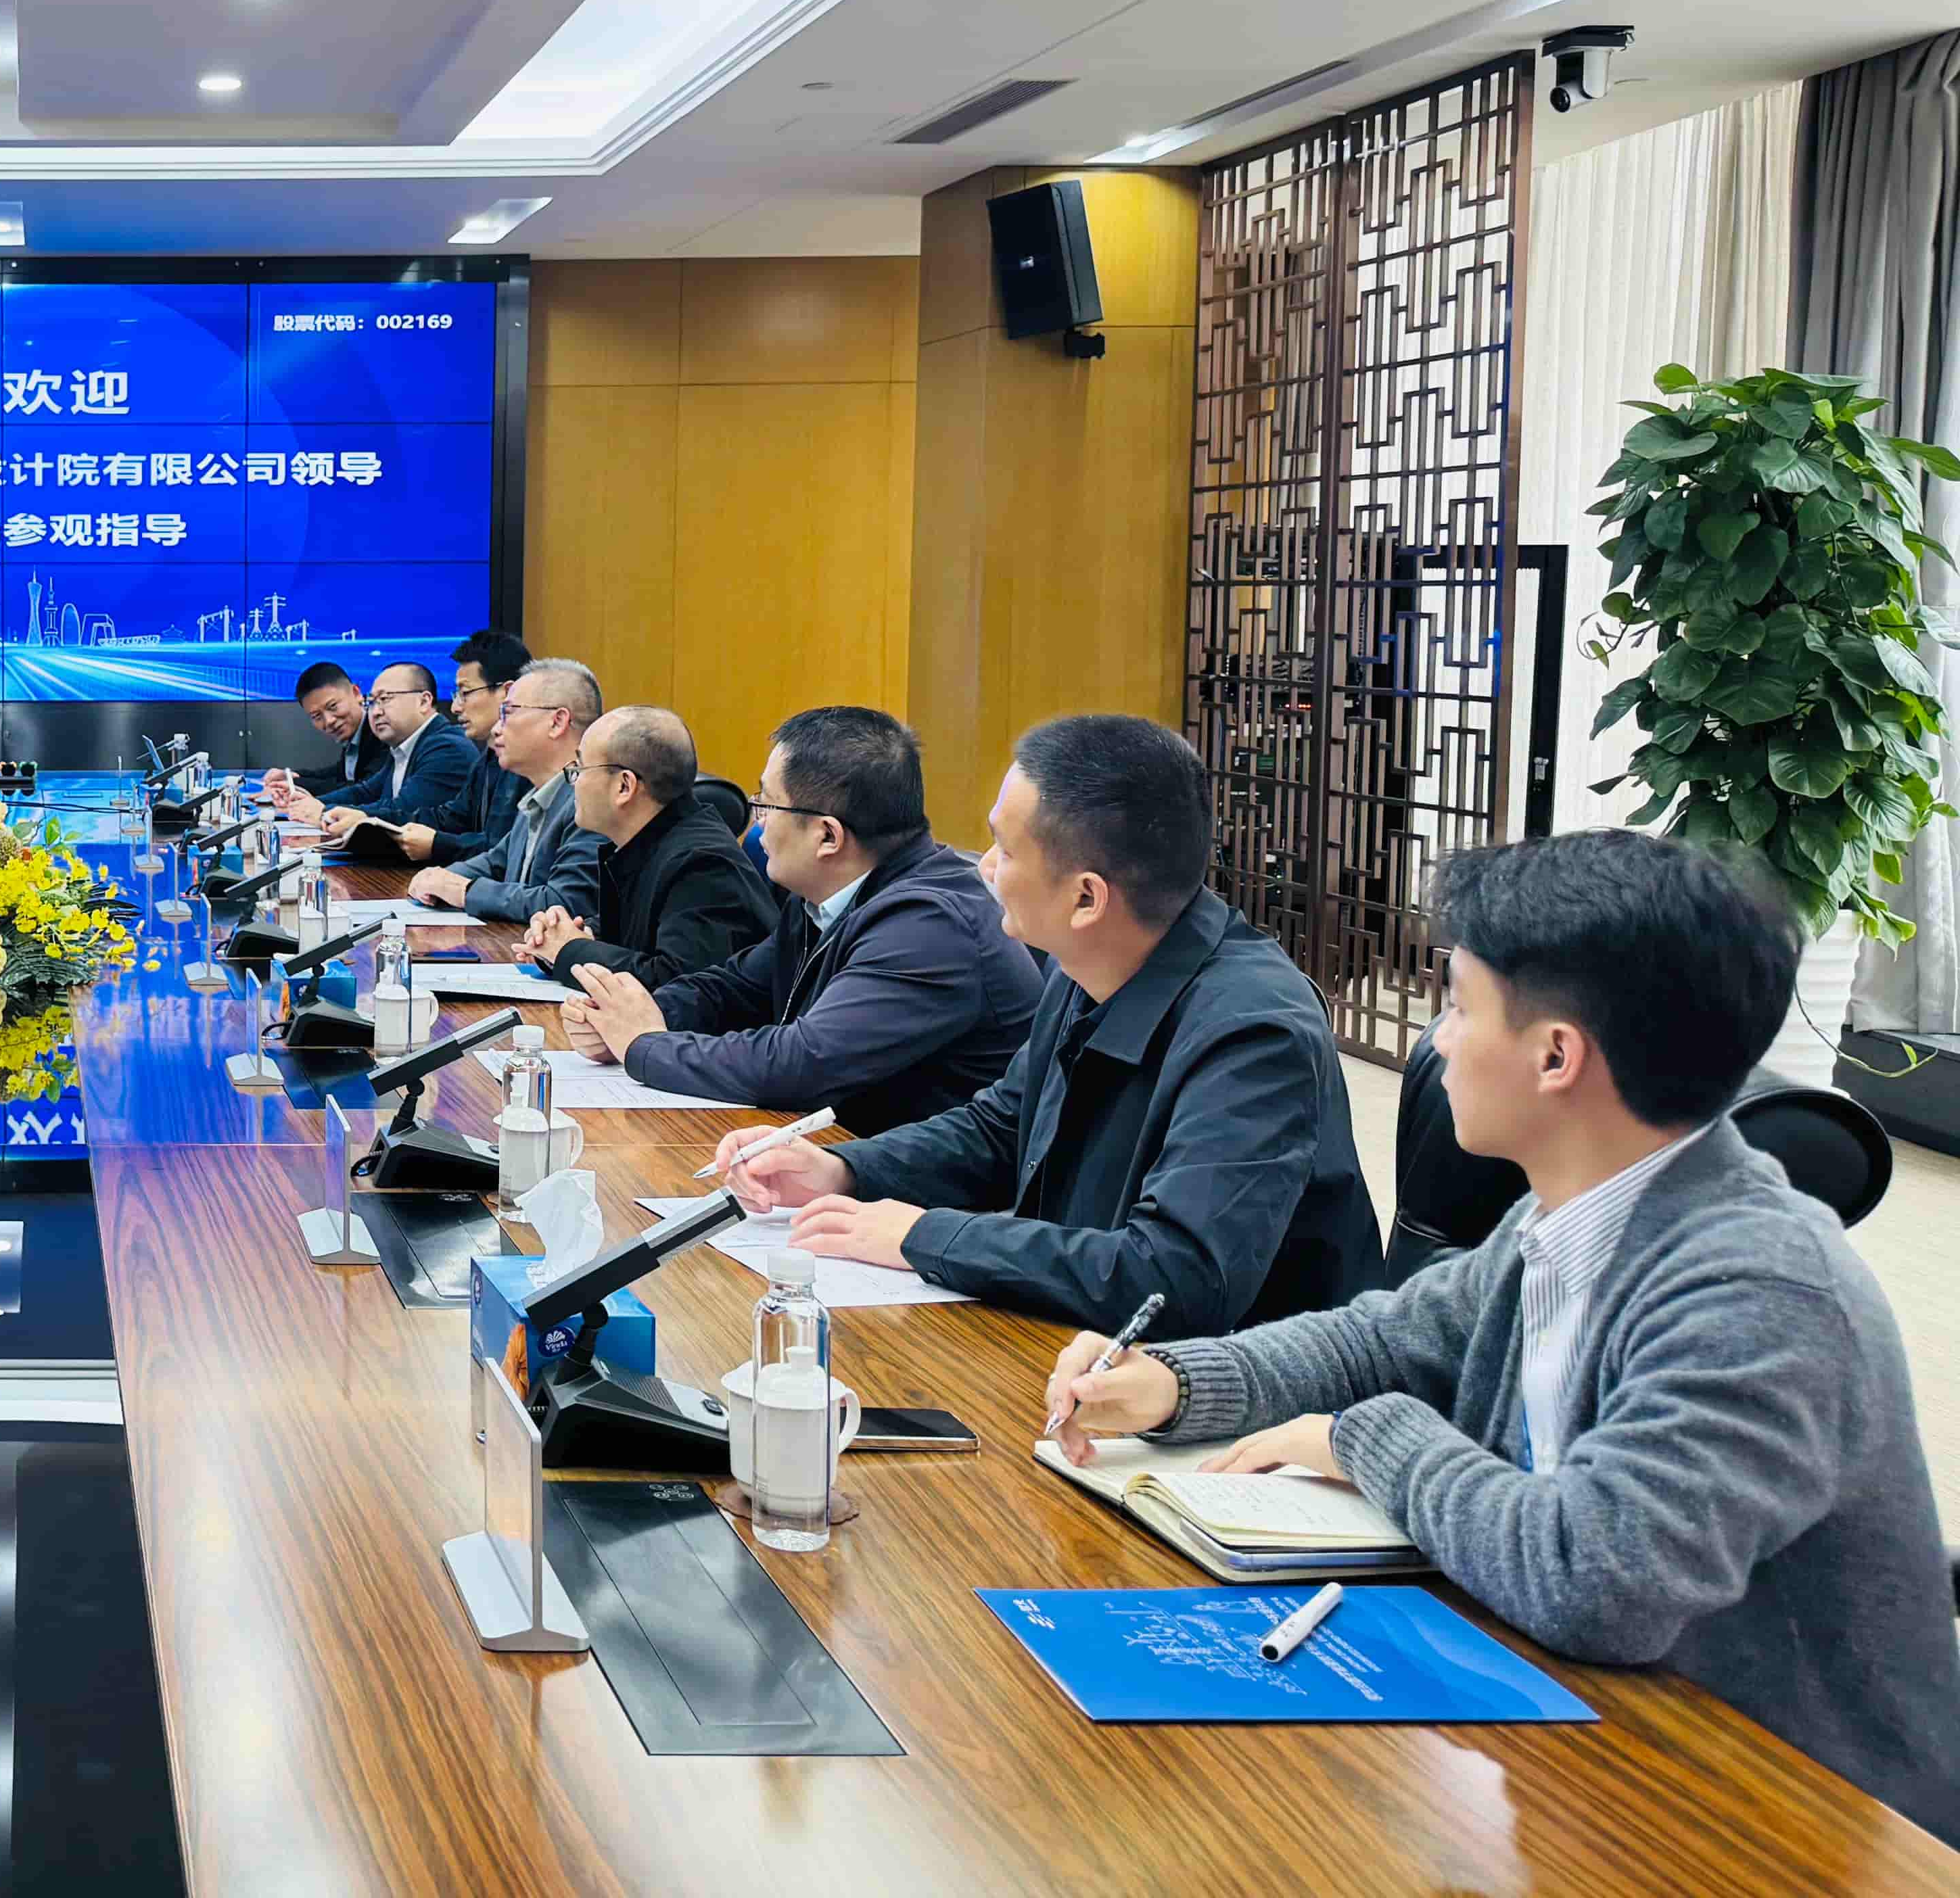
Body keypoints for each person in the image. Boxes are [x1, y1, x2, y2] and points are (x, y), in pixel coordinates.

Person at [1044, 830, 1960, 1845]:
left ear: (1557, 1055)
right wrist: (1174, 1380)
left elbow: (1594, 1577)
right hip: (1585, 1746)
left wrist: (1364, 1437)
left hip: (1785, 1811)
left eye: (1460, 1005)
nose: (1437, 1041)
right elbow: (1382, 1341)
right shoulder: (1573, 1213)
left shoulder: (1760, 1289)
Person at [718, 713, 1378, 1335]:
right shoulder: (1089, 964)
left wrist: (923, 1235)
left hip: (1232, 1394)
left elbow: (1175, 1276)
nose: (984, 866)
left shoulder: (1254, 1031)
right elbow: (1003, 1128)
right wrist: (843, 1169)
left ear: (1086, 897)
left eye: (1005, 849)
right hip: (1077, 1349)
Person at [560, 706, 1037, 1133]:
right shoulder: (826, 894)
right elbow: (735, 988)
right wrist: (628, 1015)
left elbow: (801, 1063)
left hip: (914, 1186)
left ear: (828, 837)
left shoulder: (929, 927)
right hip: (838, 1156)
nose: (758, 821)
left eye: (766, 803)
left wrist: (644, 1045)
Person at [522, 705, 778, 989]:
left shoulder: (703, 865)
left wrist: (569, 952)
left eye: (580, 769)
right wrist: (572, 936)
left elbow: (677, 983)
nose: (574, 783)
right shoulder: (647, 841)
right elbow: (634, 938)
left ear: (624, 786)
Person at [408, 655, 605, 924]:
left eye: (508, 713)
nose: (497, 729)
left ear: (557, 722)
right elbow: (494, 863)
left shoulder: (592, 799)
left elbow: (564, 904)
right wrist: (439, 877)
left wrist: (463, 891)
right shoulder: (539, 795)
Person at [281, 663, 482, 841]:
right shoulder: (403, 746)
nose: (376, 712)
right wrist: (313, 804)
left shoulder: (447, 748)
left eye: (385, 699)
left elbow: (404, 812)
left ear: (424, 702)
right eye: (373, 702)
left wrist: (324, 811)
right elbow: (365, 792)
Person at [394, 629, 532, 863]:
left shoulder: (528, 762)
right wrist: (367, 822)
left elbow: (502, 851)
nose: (456, 707)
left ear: (507, 693)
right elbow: (453, 819)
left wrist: (437, 845)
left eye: (465, 693)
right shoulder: (487, 759)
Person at [269, 660, 384, 804]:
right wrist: (291, 777)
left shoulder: (382, 732)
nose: (329, 721)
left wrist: (293, 786)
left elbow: (365, 791)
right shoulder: (355, 734)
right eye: (317, 716)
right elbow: (339, 774)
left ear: (356, 693)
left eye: (333, 706)